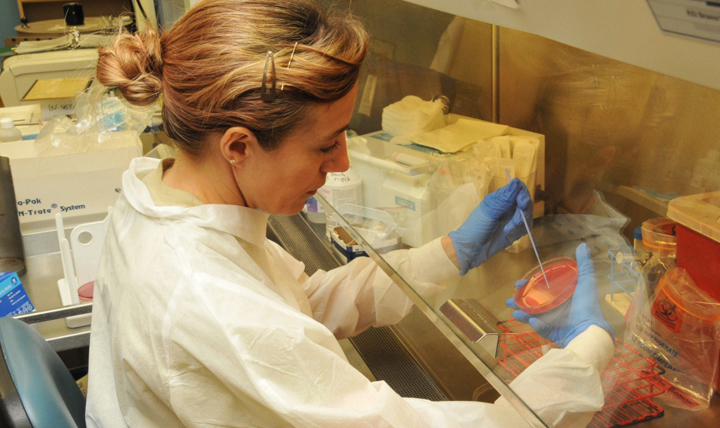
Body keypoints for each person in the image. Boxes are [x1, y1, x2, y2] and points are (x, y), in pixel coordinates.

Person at [85, 1, 613, 426]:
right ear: (239, 146)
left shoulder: (158, 196)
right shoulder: (204, 291)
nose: (340, 164)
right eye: (324, 145)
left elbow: (294, 309)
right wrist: (588, 351)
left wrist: (448, 253)